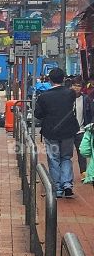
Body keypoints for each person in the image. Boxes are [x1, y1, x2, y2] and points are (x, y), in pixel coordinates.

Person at [34, 67, 78, 198]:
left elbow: (38, 114)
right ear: (64, 79)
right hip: (68, 131)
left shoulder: (43, 96)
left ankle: (57, 188)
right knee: (66, 157)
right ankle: (67, 184)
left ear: (50, 80)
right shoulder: (70, 94)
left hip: (51, 131)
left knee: (54, 159)